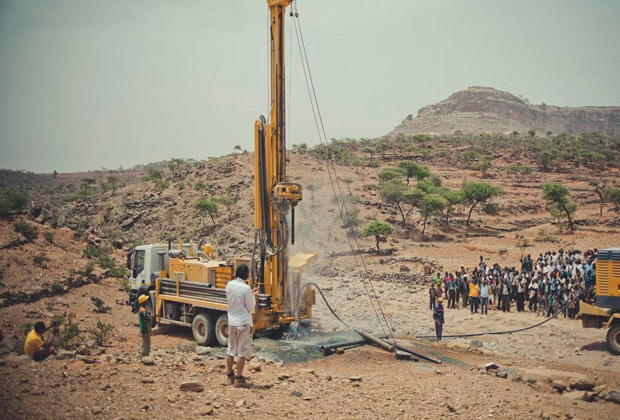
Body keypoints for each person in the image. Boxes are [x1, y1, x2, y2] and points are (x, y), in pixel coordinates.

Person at [225, 264, 258, 388]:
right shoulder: (246, 288)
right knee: (242, 353)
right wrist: (253, 296)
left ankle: (229, 376)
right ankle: (239, 378)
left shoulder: (229, 285)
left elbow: (234, 299)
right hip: (243, 322)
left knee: (230, 349)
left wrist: (250, 293)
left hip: (231, 321)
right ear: (246, 275)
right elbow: (250, 306)